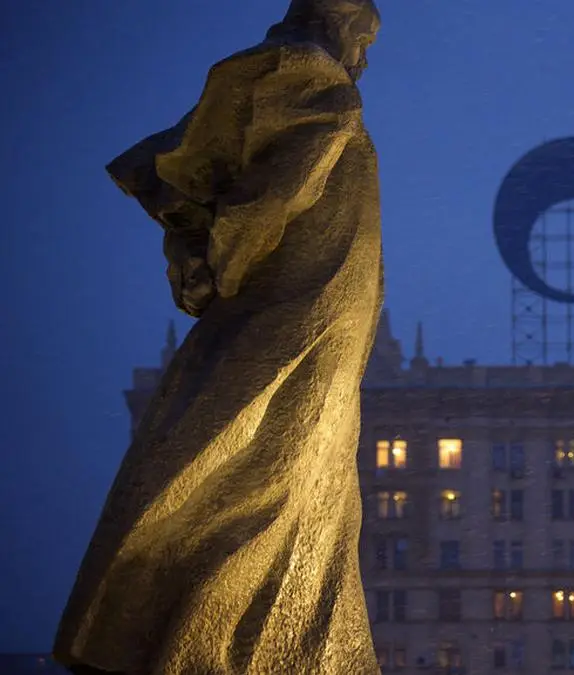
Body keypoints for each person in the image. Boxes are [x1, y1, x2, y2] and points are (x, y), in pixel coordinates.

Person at [55, 2, 385, 673]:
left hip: (316, 327)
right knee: (250, 477)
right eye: (365, 34)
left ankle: (265, 645)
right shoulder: (312, 77)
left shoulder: (293, 76)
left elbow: (216, 169)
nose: (367, 55)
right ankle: (190, 644)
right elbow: (268, 194)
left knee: (292, 487)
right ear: (334, 20)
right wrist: (221, 258)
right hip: (296, 325)